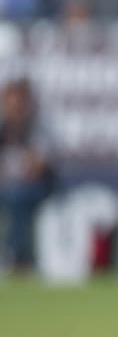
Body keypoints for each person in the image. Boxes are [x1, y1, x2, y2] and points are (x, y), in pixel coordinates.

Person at [0, 78, 57, 274]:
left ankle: (21, 261)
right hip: (7, 187)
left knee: (18, 200)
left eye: (18, 101)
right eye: (9, 101)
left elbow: (37, 166)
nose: (13, 106)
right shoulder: (3, 128)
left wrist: (14, 171)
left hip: (37, 187)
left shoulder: (37, 126)